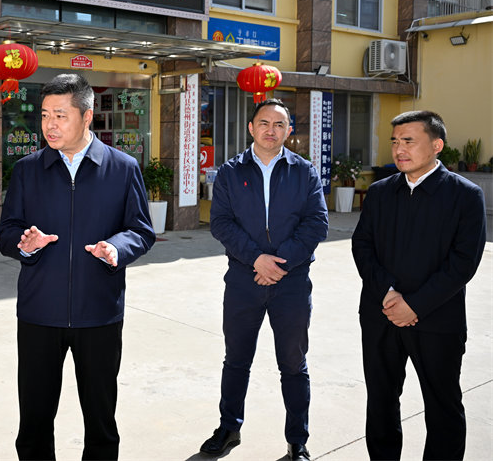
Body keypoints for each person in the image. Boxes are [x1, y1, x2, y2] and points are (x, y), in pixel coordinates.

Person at [0, 73, 156, 460]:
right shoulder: (27, 170)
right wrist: (24, 243)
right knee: (34, 419)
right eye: (46, 115)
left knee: (101, 420)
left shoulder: (121, 168)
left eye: (61, 115)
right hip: (39, 313)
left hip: (98, 312)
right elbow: (7, 232)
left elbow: (141, 229)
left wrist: (116, 248)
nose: (50, 124)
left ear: (87, 117)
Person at [351, 110, 486, 461]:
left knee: (443, 407)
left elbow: (463, 263)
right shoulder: (380, 193)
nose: (399, 149)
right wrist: (388, 294)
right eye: (395, 141)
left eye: (409, 141)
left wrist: (415, 305)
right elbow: (362, 246)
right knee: (381, 401)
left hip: (438, 321)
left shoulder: (464, 195)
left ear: (436, 145)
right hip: (380, 316)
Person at [202, 99, 328, 461]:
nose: (271, 130)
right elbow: (221, 223)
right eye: (264, 123)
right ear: (251, 128)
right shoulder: (229, 172)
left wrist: (279, 264)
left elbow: (316, 223)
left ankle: (297, 440)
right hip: (244, 280)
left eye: (279, 124)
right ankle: (229, 428)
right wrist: (256, 259)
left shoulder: (304, 172)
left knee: (293, 362)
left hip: (291, 283)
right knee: (236, 359)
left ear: (289, 131)